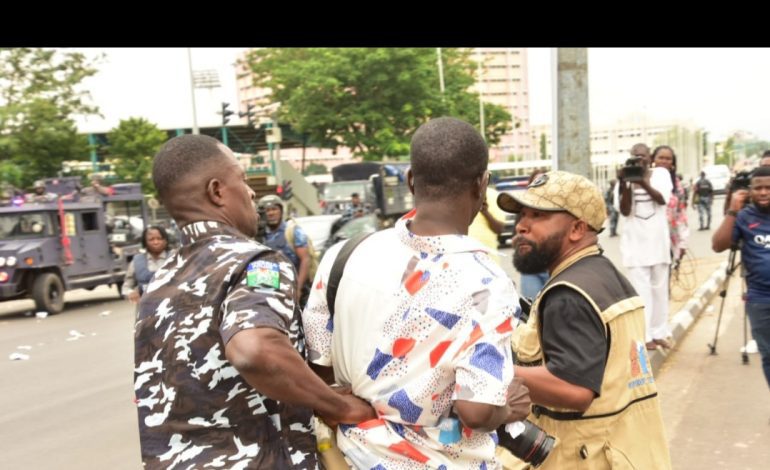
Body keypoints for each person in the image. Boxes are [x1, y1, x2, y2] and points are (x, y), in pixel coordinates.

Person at [134, 134, 375, 469]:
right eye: (243, 180)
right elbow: (254, 348)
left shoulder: (160, 283)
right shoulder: (258, 263)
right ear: (217, 191)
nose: (251, 193)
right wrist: (338, 406)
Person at [303, 117, 531, 468]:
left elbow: (318, 371)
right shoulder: (487, 284)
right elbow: (477, 409)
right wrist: (507, 408)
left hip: (350, 459)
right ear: (481, 185)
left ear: (410, 180)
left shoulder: (344, 256)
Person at [497, 170, 672, 469]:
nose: (521, 226)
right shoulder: (605, 274)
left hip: (582, 458)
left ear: (577, 228)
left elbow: (573, 389)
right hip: (627, 451)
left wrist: (487, 371)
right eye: (522, 215)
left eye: (537, 215)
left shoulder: (568, 294)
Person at [712, 165, 770, 391]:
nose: (764, 192)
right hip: (759, 299)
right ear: (750, 191)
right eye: (758, 188)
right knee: (768, 355)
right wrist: (733, 211)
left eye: (768, 187)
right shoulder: (744, 217)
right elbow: (718, 245)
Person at [616, 143, 673, 350]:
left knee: (659, 291)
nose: (639, 160)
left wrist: (643, 182)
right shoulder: (626, 177)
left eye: (643, 156)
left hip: (658, 244)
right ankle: (645, 335)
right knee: (641, 293)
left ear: (650, 157)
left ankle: (659, 332)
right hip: (635, 247)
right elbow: (624, 210)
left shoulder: (660, 175)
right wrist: (625, 183)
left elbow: (662, 200)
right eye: (635, 156)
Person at [258, 194, 313, 306]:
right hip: (269, 290)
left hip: (293, 289)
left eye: (274, 209)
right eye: (267, 210)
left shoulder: (292, 230)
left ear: (281, 211)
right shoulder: (258, 235)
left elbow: (305, 259)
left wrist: (299, 289)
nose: (271, 213)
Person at [517, 168, 550, 299]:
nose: (539, 185)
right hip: (531, 268)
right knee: (533, 309)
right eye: (536, 181)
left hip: (555, 269)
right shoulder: (522, 208)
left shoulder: (558, 211)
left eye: (543, 181)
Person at [652, 145, 689, 262]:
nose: (664, 161)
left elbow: (681, 214)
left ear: (673, 163)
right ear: (653, 159)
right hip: (649, 237)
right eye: (660, 158)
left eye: (668, 159)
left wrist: (683, 242)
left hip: (669, 238)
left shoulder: (677, 185)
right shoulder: (645, 181)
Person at [123, 225, 172, 304]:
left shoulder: (176, 259)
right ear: (145, 242)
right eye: (151, 239)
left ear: (165, 240)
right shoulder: (136, 261)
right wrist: (130, 293)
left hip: (172, 309)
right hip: (146, 310)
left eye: (159, 239)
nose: (156, 242)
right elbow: (126, 286)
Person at [467, 184, 505, 263]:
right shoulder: (455, 195)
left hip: (490, 260)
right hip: (462, 261)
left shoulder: (493, 195)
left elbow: (499, 229)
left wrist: (485, 211)